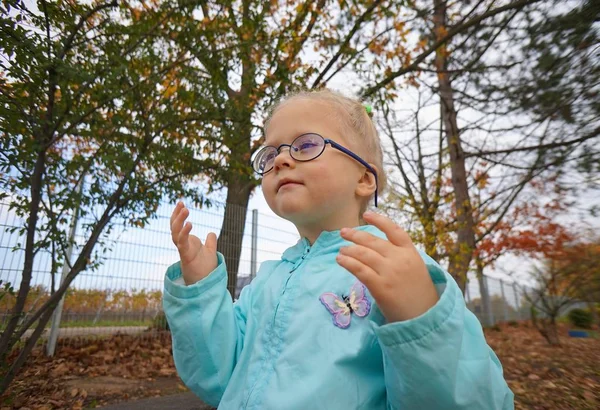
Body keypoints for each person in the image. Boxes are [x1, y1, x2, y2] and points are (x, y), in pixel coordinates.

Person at [163, 89, 514, 410]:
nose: (281, 159)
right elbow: (217, 378)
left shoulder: (395, 269)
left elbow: (477, 401)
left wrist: (419, 319)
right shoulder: (267, 282)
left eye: (305, 145)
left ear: (364, 179)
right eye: (271, 152)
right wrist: (201, 289)